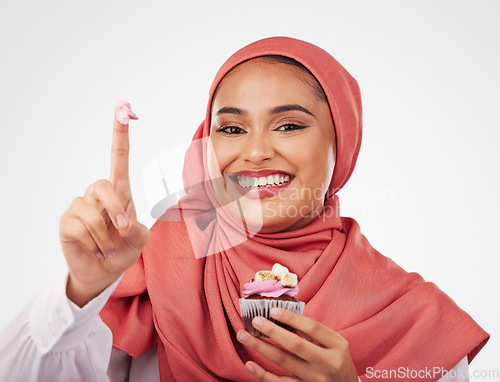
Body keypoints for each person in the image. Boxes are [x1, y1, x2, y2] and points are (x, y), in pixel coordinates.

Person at [0, 37, 489, 381]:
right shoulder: (155, 266)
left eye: (289, 126)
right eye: (232, 129)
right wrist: (83, 288)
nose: (254, 153)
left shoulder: (410, 314)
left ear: (343, 145)